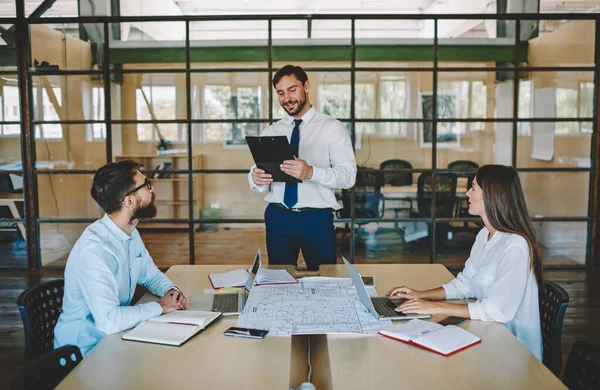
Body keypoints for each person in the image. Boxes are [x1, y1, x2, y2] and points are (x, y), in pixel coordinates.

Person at [386, 164, 544, 360]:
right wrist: (420, 295)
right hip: (487, 334)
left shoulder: (515, 246)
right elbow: (465, 284)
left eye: (473, 188)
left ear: (492, 195)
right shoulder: (484, 235)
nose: (467, 194)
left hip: (512, 351)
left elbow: (496, 310)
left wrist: (433, 307)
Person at [54, 160, 187, 356]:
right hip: (84, 351)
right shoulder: (94, 251)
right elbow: (109, 321)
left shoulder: (129, 232)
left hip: (114, 338)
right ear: (129, 200)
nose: (153, 188)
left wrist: (171, 291)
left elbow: (150, 275)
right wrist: (160, 306)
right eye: (146, 184)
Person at [248, 64, 356, 271]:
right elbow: (257, 174)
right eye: (280, 93)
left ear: (306, 86)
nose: (287, 98)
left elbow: (349, 176)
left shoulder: (332, 128)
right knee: (279, 282)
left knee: (325, 280)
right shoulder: (271, 130)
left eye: (292, 89)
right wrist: (255, 178)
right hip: (278, 217)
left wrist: (311, 172)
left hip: (316, 219)